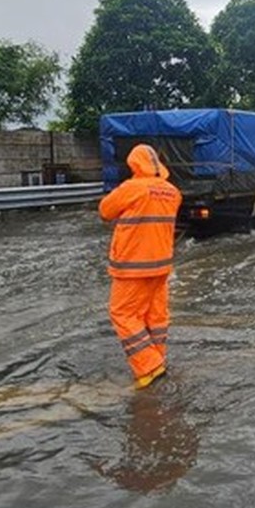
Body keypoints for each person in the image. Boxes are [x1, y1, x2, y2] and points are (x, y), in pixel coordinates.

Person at [99, 144, 182, 389]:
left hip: (132, 267)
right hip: (161, 266)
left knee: (122, 314)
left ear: (134, 164)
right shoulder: (172, 192)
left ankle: (149, 366)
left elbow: (105, 211)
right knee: (154, 316)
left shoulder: (132, 188)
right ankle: (158, 359)